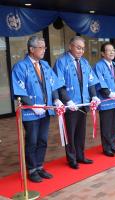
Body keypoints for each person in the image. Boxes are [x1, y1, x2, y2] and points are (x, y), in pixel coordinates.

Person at [12, 35, 64, 182]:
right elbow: (19, 90)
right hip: (31, 112)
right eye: (41, 47)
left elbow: (53, 83)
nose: (43, 50)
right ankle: (32, 169)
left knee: (43, 140)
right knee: (32, 140)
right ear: (31, 49)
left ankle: (40, 166)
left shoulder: (45, 65)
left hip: (46, 110)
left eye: (44, 47)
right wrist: (33, 106)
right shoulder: (20, 67)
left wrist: (56, 98)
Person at [53, 36, 101, 169]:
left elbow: (91, 81)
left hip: (83, 103)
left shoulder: (85, 62)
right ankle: (72, 158)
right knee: (70, 132)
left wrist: (94, 96)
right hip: (71, 105)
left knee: (81, 132)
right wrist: (67, 100)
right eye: (78, 47)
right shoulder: (61, 62)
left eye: (83, 48)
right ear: (70, 46)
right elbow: (59, 85)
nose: (81, 51)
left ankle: (81, 155)